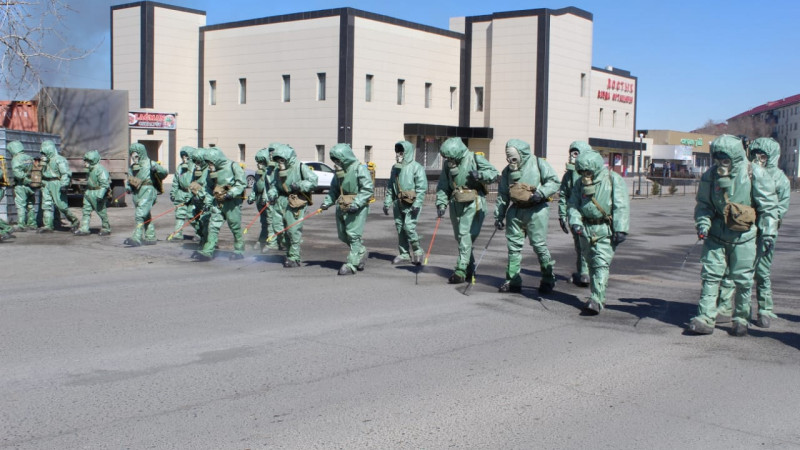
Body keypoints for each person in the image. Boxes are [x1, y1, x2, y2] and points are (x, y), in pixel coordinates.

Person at [688, 135, 778, 336]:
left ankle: (740, 318)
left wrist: (769, 233)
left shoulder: (755, 174)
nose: (721, 163)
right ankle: (705, 318)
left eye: (725, 158)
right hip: (716, 235)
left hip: (744, 235)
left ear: (736, 156)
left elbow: (769, 207)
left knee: (743, 279)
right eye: (718, 158)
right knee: (710, 277)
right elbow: (704, 205)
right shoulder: (710, 176)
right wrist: (703, 223)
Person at [715, 137, 789, 329]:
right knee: (733, 269)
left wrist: (768, 229)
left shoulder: (779, 178)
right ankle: (725, 307)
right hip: (743, 228)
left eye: (762, 155)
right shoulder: (747, 172)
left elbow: (778, 208)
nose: (758, 158)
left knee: (762, 271)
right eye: (755, 154)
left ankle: (764, 309)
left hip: (763, 230)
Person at [567, 149, 630, 314]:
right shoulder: (580, 184)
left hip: (604, 228)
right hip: (585, 228)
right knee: (589, 262)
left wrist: (621, 228)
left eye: (588, 171)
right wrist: (575, 222)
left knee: (600, 263)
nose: (585, 175)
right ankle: (596, 295)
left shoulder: (612, 180)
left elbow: (621, 205)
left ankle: (597, 299)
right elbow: (573, 204)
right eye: (582, 172)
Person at [493, 139, 560, 293]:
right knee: (513, 248)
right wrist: (499, 216)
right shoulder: (507, 171)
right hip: (515, 210)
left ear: (522, 154)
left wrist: (541, 193)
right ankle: (512, 280)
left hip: (536, 210)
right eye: (508, 157)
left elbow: (554, 181)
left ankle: (548, 278)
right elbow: (503, 194)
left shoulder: (538, 163)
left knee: (539, 246)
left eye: (514, 157)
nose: (511, 161)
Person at [435, 137, 499, 284]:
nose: (449, 159)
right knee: (461, 237)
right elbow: (444, 185)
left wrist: (481, 175)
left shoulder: (474, 158)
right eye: (446, 157)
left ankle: (460, 270)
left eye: (451, 156)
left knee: (465, 235)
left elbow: (494, 173)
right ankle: (470, 268)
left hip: (473, 201)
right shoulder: (447, 165)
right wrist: (441, 203)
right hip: (456, 202)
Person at [319, 143, 374, 275]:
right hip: (342, 206)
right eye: (334, 160)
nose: (336, 163)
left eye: (338, 159)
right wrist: (327, 203)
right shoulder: (339, 173)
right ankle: (361, 251)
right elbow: (334, 190)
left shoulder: (359, 168)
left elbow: (367, 189)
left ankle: (352, 264)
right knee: (343, 235)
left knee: (353, 235)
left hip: (356, 207)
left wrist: (358, 203)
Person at [266, 144, 318, 267]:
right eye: (278, 160)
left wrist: (300, 185)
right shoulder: (277, 171)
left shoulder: (300, 167)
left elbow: (313, 181)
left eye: (282, 160)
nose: (280, 163)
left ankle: (294, 257)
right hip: (280, 201)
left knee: (293, 230)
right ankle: (288, 251)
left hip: (295, 202)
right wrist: (272, 194)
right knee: (279, 230)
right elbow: (273, 186)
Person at [193, 147, 246, 261]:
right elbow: (208, 187)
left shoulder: (233, 166)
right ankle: (208, 251)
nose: (209, 165)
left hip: (232, 202)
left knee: (235, 226)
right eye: (207, 162)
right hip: (218, 201)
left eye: (211, 162)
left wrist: (231, 193)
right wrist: (207, 201)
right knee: (213, 226)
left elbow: (241, 183)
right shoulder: (210, 171)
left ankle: (239, 249)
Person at [383, 140, 427, 265]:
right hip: (398, 202)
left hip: (411, 203)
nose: (398, 155)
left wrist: (417, 204)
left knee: (409, 227)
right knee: (400, 228)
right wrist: (387, 202)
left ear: (407, 152)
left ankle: (418, 251)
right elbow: (391, 186)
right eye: (397, 152)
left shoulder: (416, 167)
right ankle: (404, 253)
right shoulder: (395, 168)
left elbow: (421, 187)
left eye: (401, 152)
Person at [558, 141, 591, 287]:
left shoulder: (591, 173)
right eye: (571, 153)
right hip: (575, 214)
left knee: (587, 245)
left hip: (589, 215)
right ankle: (582, 271)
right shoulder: (568, 176)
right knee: (579, 245)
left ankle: (587, 272)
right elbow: (564, 195)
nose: (572, 156)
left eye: (576, 153)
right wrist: (562, 214)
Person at [124, 143, 167, 246]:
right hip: (137, 193)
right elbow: (129, 179)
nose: (134, 158)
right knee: (145, 214)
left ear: (141, 153)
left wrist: (157, 170)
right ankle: (151, 236)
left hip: (148, 190)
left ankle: (137, 236)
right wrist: (128, 187)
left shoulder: (151, 164)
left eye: (136, 155)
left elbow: (164, 173)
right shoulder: (132, 167)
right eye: (132, 155)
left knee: (140, 214)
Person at [38, 139, 79, 233]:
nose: (43, 153)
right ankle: (48, 225)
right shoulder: (45, 161)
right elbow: (41, 173)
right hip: (46, 183)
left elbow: (65, 173)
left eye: (45, 151)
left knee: (61, 206)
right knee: (46, 205)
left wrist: (64, 184)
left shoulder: (59, 159)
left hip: (57, 183)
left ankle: (74, 220)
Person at [73, 150, 111, 236]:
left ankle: (106, 228)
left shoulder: (100, 169)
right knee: (86, 211)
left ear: (92, 161)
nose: (85, 163)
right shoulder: (90, 169)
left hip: (97, 192)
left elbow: (104, 184)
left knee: (101, 211)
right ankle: (84, 228)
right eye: (85, 161)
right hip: (89, 192)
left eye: (87, 161)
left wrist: (100, 194)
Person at [8, 140, 38, 231]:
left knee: (20, 204)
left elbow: (17, 173)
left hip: (21, 185)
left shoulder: (16, 159)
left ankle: (21, 224)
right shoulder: (29, 158)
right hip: (31, 185)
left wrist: (24, 179)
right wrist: (31, 180)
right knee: (30, 204)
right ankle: (32, 223)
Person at [247, 147, 273, 252]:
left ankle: (271, 241)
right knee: (264, 222)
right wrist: (252, 196)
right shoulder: (258, 173)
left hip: (268, 201)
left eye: (261, 162)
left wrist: (266, 198)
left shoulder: (270, 173)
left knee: (270, 222)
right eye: (258, 162)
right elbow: (256, 187)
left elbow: (270, 187)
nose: (259, 164)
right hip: (259, 201)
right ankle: (262, 240)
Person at [168, 146, 195, 241]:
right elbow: (176, 182)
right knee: (179, 214)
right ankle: (177, 233)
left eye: (186, 156)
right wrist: (173, 193)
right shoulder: (180, 167)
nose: (184, 158)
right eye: (183, 156)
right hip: (181, 193)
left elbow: (199, 182)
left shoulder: (195, 167)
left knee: (192, 216)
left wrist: (193, 194)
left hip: (193, 194)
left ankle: (201, 233)